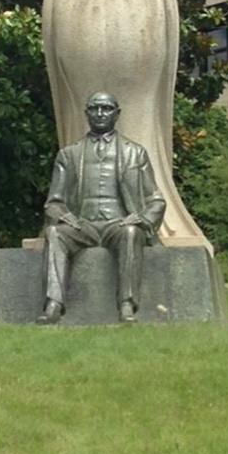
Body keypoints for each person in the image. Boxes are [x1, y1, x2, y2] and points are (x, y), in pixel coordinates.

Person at [37, 92, 166, 324]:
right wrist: (65, 216)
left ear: (117, 114)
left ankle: (127, 304)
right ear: (86, 113)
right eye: (94, 108)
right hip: (82, 225)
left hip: (117, 224)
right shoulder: (69, 154)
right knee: (55, 233)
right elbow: (53, 202)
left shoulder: (134, 153)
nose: (100, 114)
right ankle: (53, 304)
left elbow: (156, 200)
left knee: (130, 233)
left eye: (106, 108)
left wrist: (141, 219)